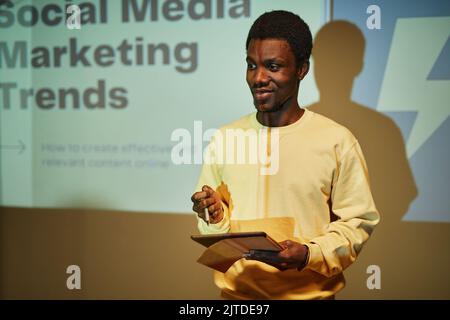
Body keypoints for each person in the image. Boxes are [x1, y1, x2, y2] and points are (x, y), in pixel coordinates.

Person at [190, 10, 380, 300]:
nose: (258, 78)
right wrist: (214, 216)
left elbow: (356, 224)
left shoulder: (336, 141)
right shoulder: (224, 138)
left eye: (273, 66)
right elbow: (214, 228)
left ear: (302, 69)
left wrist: (308, 254)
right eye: (251, 65)